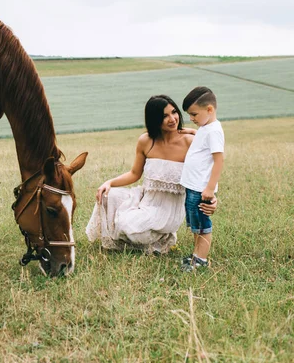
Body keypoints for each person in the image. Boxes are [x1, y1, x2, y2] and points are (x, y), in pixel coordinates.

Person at [85, 95, 216, 254]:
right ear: (154, 119)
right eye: (164, 116)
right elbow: (134, 173)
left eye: (174, 112)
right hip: (145, 198)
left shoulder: (190, 142)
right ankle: (147, 237)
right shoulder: (146, 141)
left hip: (169, 208)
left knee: (130, 227)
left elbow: (205, 175)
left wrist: (212, 199)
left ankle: (162, 237)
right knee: (108, 196)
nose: (172, 119)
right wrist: (109, 183)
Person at [180, 86, 224, 272]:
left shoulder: (213, 131)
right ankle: (196, 255)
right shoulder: (206, 128)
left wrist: (210, 188)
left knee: (203, 225)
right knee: (195, 225)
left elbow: (219, 160)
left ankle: (201, 260)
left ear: (209, 110)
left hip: (201, 188)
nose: (191, 118)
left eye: (194, 114)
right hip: (193, 186)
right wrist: (192, 130)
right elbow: (202, 138)